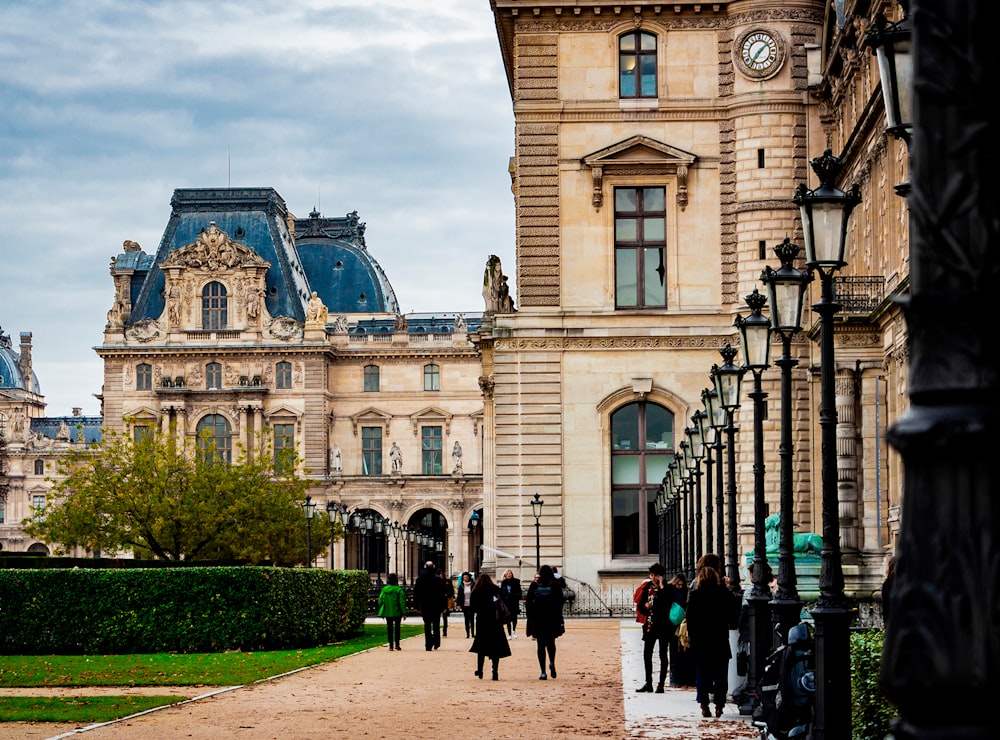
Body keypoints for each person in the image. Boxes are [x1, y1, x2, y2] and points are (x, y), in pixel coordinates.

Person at [685, 564, 739, 718]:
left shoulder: (695, 595)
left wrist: (693, 636)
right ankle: (719, 705)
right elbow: (732, 615)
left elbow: (690, 620)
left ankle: (703, 704)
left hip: (701, 641)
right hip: (719, 640)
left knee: (702, 674)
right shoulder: (723, 594)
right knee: (721, 675)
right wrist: (726, 588)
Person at [634, 563, 680, 693]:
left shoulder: (667, 588)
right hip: (650, 626)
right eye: (652, 575)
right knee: (647, 654)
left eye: (656, 575)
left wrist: (661, 586)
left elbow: (668, 602)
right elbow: (641, 607)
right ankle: (648, 683)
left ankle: (661, 684)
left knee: (662, 654)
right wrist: (646, 607)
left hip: (663, 627)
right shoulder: (647, 587)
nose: (653, 578)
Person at [525, 564, 565, 680]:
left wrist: (531, 617)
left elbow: (528, 603)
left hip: (538, 619)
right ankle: (552, 661)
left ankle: (543, 671)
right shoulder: (555, 585)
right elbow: (560, 603)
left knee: (540, 645)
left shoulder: (534, 585)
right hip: (551, 618)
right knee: (551, 643)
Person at [468, 572, 511, 680]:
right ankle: (494, 670)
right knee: (495, 647)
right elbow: (502, 602)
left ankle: (480, 670)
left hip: (482, 620)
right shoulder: (495, 589)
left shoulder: (476, 591)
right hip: (494, 620)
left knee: (481, 647)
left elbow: (472, 607)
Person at [667, 572, 696, 687]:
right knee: (676, 651)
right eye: (677, 584)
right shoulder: (672, 591)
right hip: (675, 624)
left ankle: (681, 678)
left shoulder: (684, 592)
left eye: (681, 585)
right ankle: (677, 679)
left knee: (683, 651)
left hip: (681, 623)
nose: (679, 586)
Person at [412, 561, 446, 651]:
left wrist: (416, 606)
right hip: (436, 605)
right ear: (433, 567)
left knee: (427, 625)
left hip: (425, 605)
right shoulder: (438, 579)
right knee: (436, 624)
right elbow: (442, 594)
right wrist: (443, 607)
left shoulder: (419, 579)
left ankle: (428, 644)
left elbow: (416, 594)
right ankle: (436, 642)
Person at [377, 572, 406, 651]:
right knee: (397, 629)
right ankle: (397, 644)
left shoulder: (384, 589)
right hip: (397, 612)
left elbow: (380, 600)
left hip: (388, 611)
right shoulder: (399, 590)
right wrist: (404, 613)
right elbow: (402, 602)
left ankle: (390, 645)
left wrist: (382, 607)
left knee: (389, 629)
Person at [499, 569, 523, 638]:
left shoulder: (516, 582)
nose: (509, 574)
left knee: (514, 618)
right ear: (505, 575)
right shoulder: (503, 583)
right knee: (508, 619)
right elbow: (502, 593)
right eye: (507, 573)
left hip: (514, 602)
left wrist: (516, 596)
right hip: (506, 603)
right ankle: (509, 634)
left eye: (510, 573)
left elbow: (519, 592)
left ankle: (514, 630)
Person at [456, 571, 476, 638]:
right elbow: (459, 596)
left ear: (469, 577)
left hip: (472, 604)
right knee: (466, 619)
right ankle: (467, 634)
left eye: (466, 577)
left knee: (472, 619)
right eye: (464, 577)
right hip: (464, 604)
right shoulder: (461, 585)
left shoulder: (473, 584)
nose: (465, 578)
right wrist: (458, 604)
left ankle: (473, 633)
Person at [441, 571, 455, 637]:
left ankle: (444, 631)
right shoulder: (436, 581)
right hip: (439, 601)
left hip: (446, 601)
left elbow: (451, 590)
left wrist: (448, 595)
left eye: (442, 574)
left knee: (445, 617)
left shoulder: (448, 581)